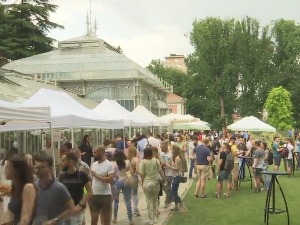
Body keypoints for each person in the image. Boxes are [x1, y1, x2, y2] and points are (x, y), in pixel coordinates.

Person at [32, 154, 75, 225]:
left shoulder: (59, 187)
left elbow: (71, 208)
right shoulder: (34, 187)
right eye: (37, 167)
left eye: (42, 167)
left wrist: (55, 220)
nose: (39, 170)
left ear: (50, 168)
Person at [59, 152, 93, 225]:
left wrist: (80, 205)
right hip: (64, 212)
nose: (60, 163)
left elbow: (90, 192)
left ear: (70, 162)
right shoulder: (62, 176)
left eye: (63, 161)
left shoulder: (82, 175)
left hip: (76, 212)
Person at [3, 154, 36, 225]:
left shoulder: (28, 187)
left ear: (16, 170)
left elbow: (25, 219)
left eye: (8, 166)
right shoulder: (15, 188)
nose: (5, 169)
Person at [140, 147, 167, 225]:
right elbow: (160, 171)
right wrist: (164, 180)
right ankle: (154, 218)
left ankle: (150, 219)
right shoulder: (156, 160)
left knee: (149, 202)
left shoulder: (143, 162)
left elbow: (142, 174)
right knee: (155, 200)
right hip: (155, 183)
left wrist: (142, 183)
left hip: (147, 182)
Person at [89, 146, 115, 225]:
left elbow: (110, 179)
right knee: (94, 220)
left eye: (95, 152)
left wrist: (96, 175)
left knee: (106, 220)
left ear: (101, 152)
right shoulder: (93, 164)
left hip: (105, 195)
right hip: (94, 195)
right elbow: (91, 179)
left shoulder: (109, 165)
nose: (94, 154)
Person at [112, 150, 135, 225]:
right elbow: (131, 172)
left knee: (116, 200)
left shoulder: (114, 164)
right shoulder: (127, 162)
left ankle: (115, 218)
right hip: (126, 181)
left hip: (117, 181)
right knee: (128, 200)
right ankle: (130, 220)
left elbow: (113, 174)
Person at [167, 145, 186, 211]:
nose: (170, 151)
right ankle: (176, 206)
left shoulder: (177, 158)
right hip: (175, 176)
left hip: (176, 176)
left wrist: (169, 166)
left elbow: (177, 169)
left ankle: (181, 204)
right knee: (175, 191)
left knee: (173, 192)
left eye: (171, 149)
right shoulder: (175, 158)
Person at [127, 147, 140, 216]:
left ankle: (132, 209)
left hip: (128, 177)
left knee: (130, 194)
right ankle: (135, 208)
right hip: (134, 177)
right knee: (135, 193)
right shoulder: (136, 159)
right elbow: (137, 170)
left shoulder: (128, 160)